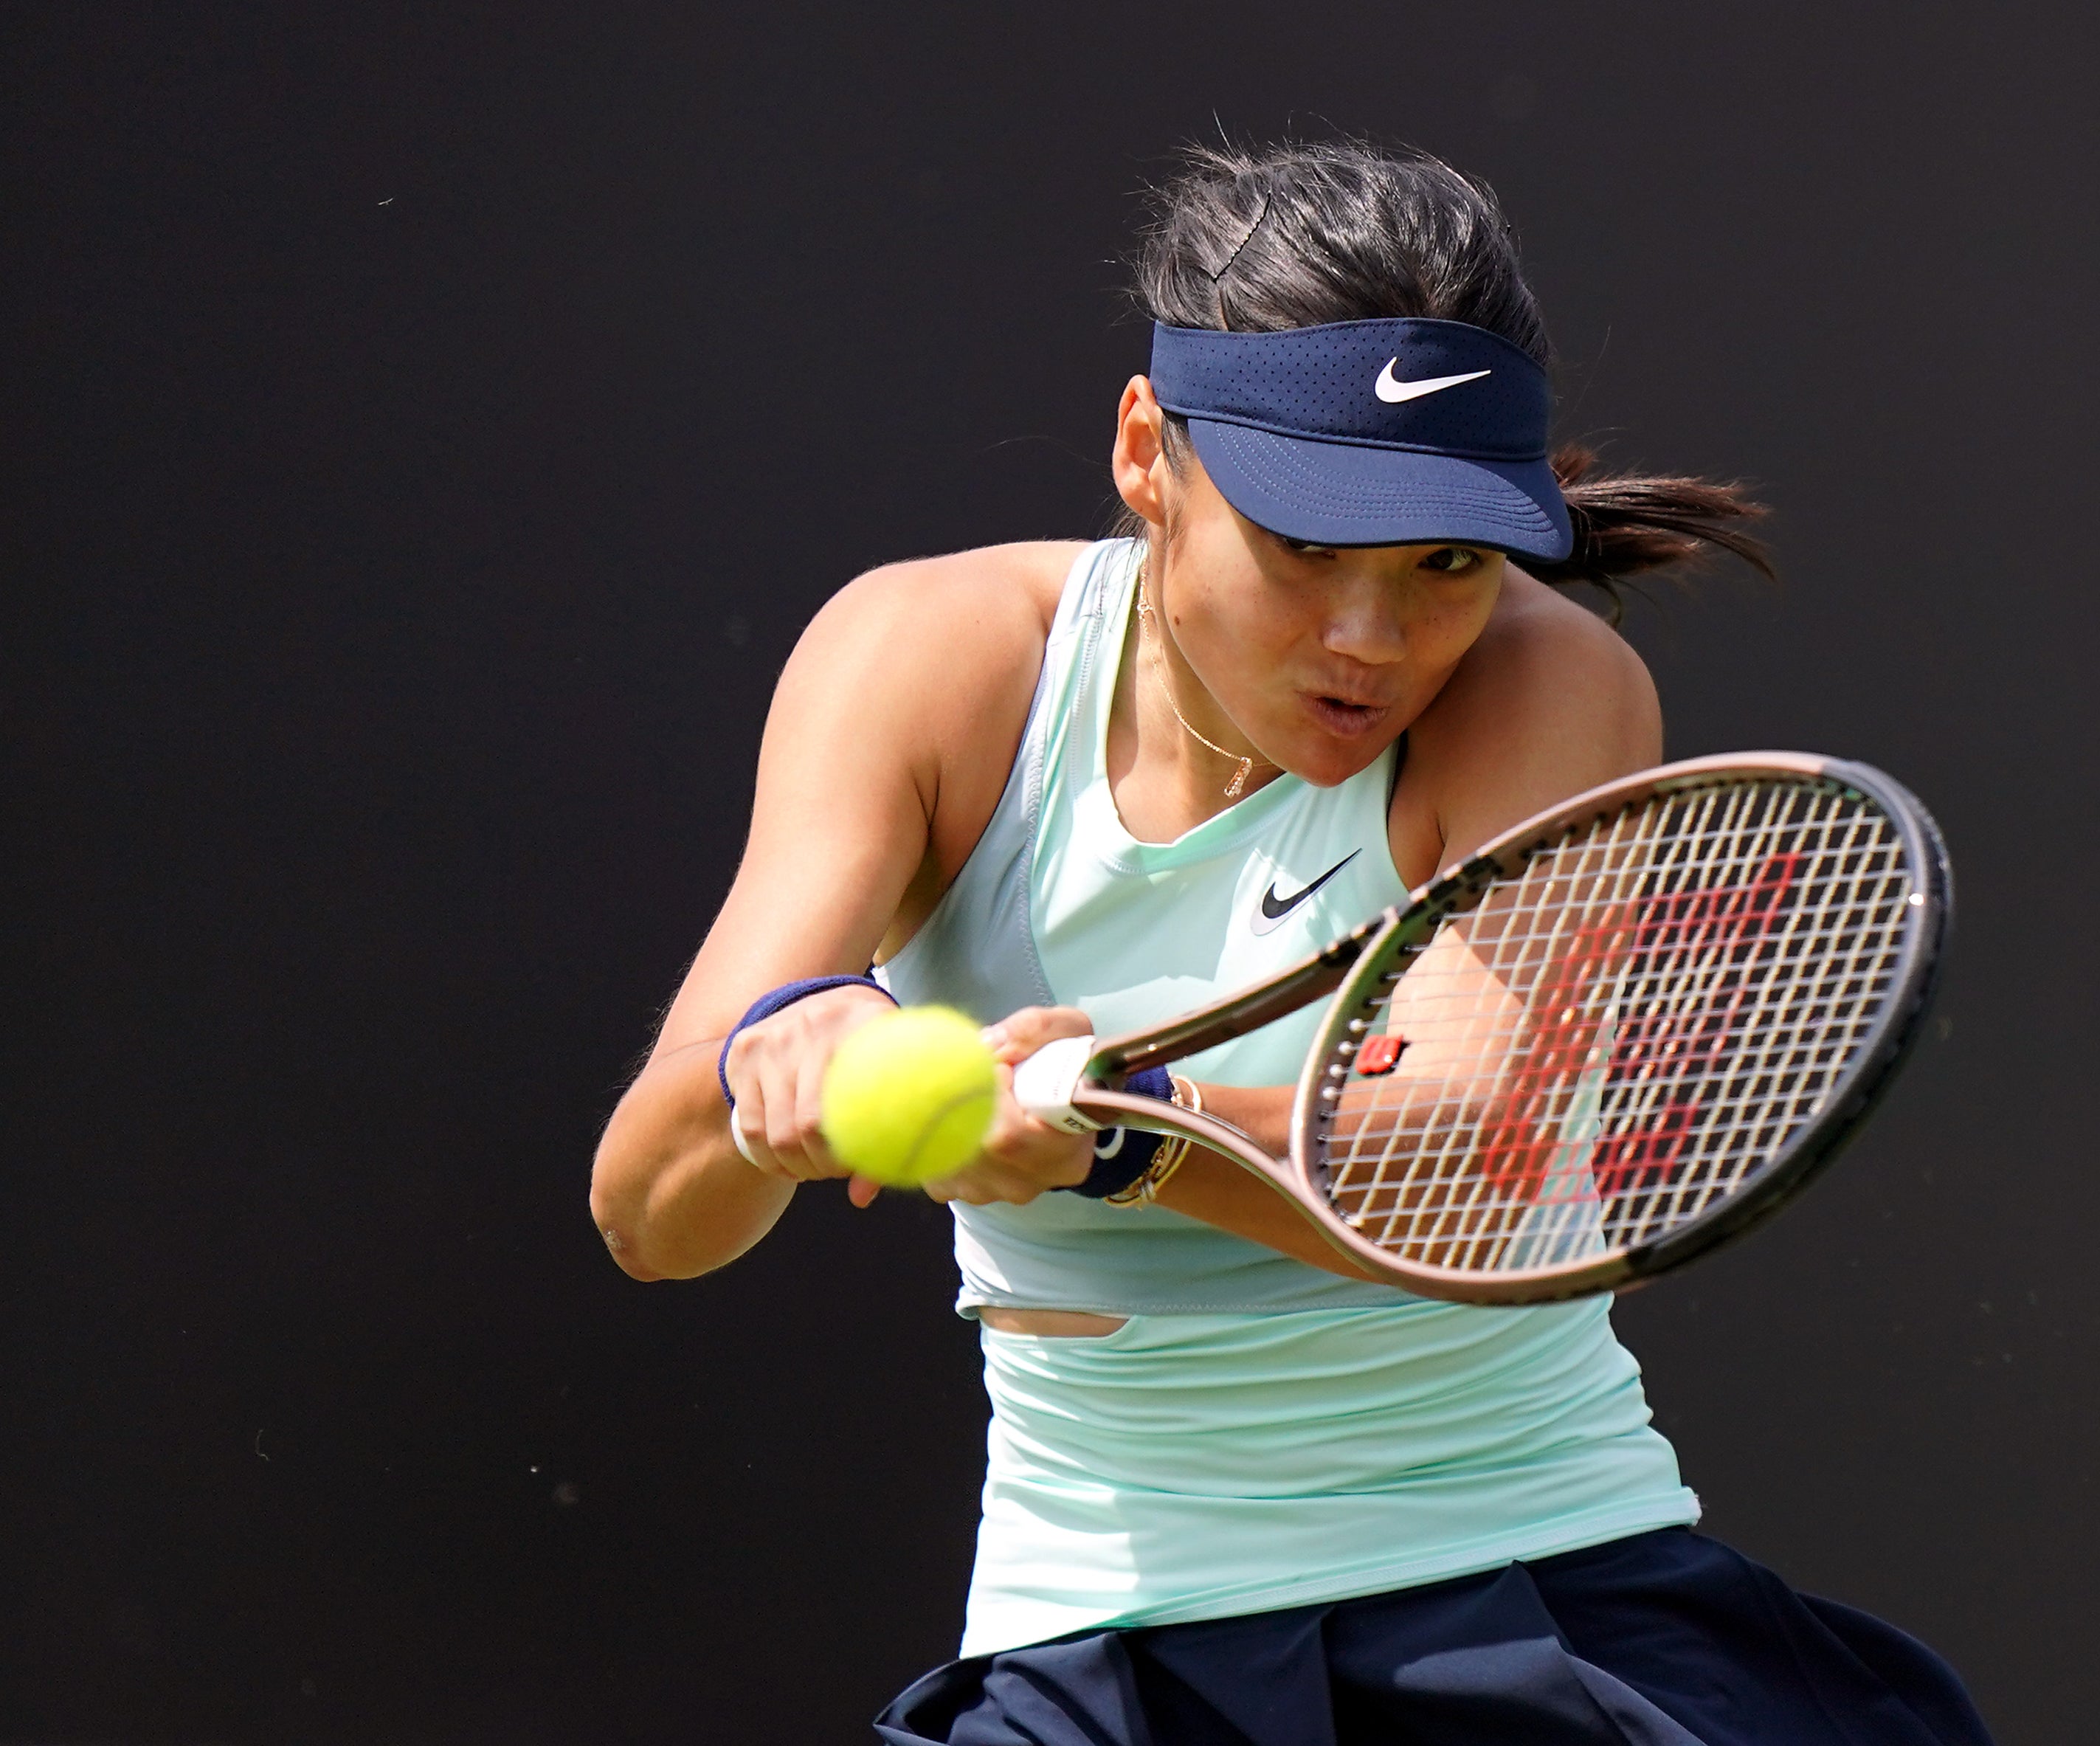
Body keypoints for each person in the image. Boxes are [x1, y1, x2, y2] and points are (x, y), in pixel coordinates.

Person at [590, 139, 1994, 1745]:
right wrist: (781, 1073)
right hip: (1087, 1651)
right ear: (1145, 453)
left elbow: (1466, 1175)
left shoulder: (1547, 685)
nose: (1371, 641)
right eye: (1306, 547)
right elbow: (649, 1213)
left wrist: (1117, 1138)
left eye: (1445, 564)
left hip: (1527, 1601)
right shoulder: (927, 660)